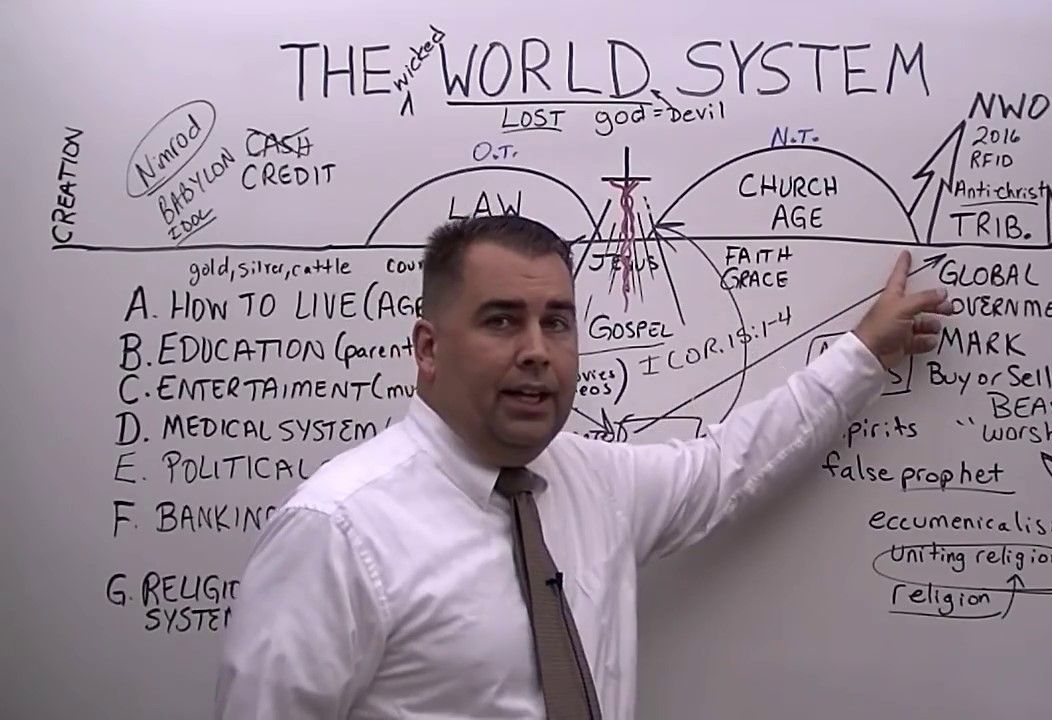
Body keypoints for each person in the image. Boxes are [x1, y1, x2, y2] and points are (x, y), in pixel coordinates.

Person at [214, 215, 951, 719]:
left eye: (557, 322)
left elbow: (732, 464)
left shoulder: (595, 486)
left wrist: (863, 356)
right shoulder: (338, 530)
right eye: (502, 320)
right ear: (429, 349)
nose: (537, 351)